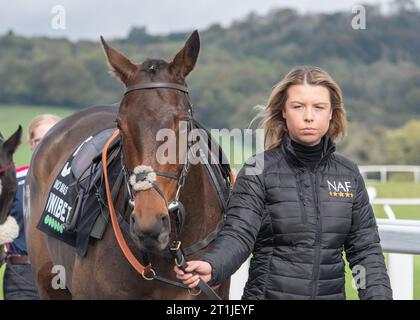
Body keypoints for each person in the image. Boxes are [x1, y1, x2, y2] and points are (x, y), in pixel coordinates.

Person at [174, 66, 393, 300]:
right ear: (283, 112)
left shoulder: (348, 174)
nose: (309, 116)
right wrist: (213, 265)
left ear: (331, 113)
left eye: (319, 107)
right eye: (298, 106)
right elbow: (239, 234)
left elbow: (365, 251)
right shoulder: (257, 170)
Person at [3, 114, 60, 300]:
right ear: (30, 143)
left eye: (51, 137)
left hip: (64, 274)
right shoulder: (11, 182)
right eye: (38, 140)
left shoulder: (79, 184)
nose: (44, 145)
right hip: (21, 274)